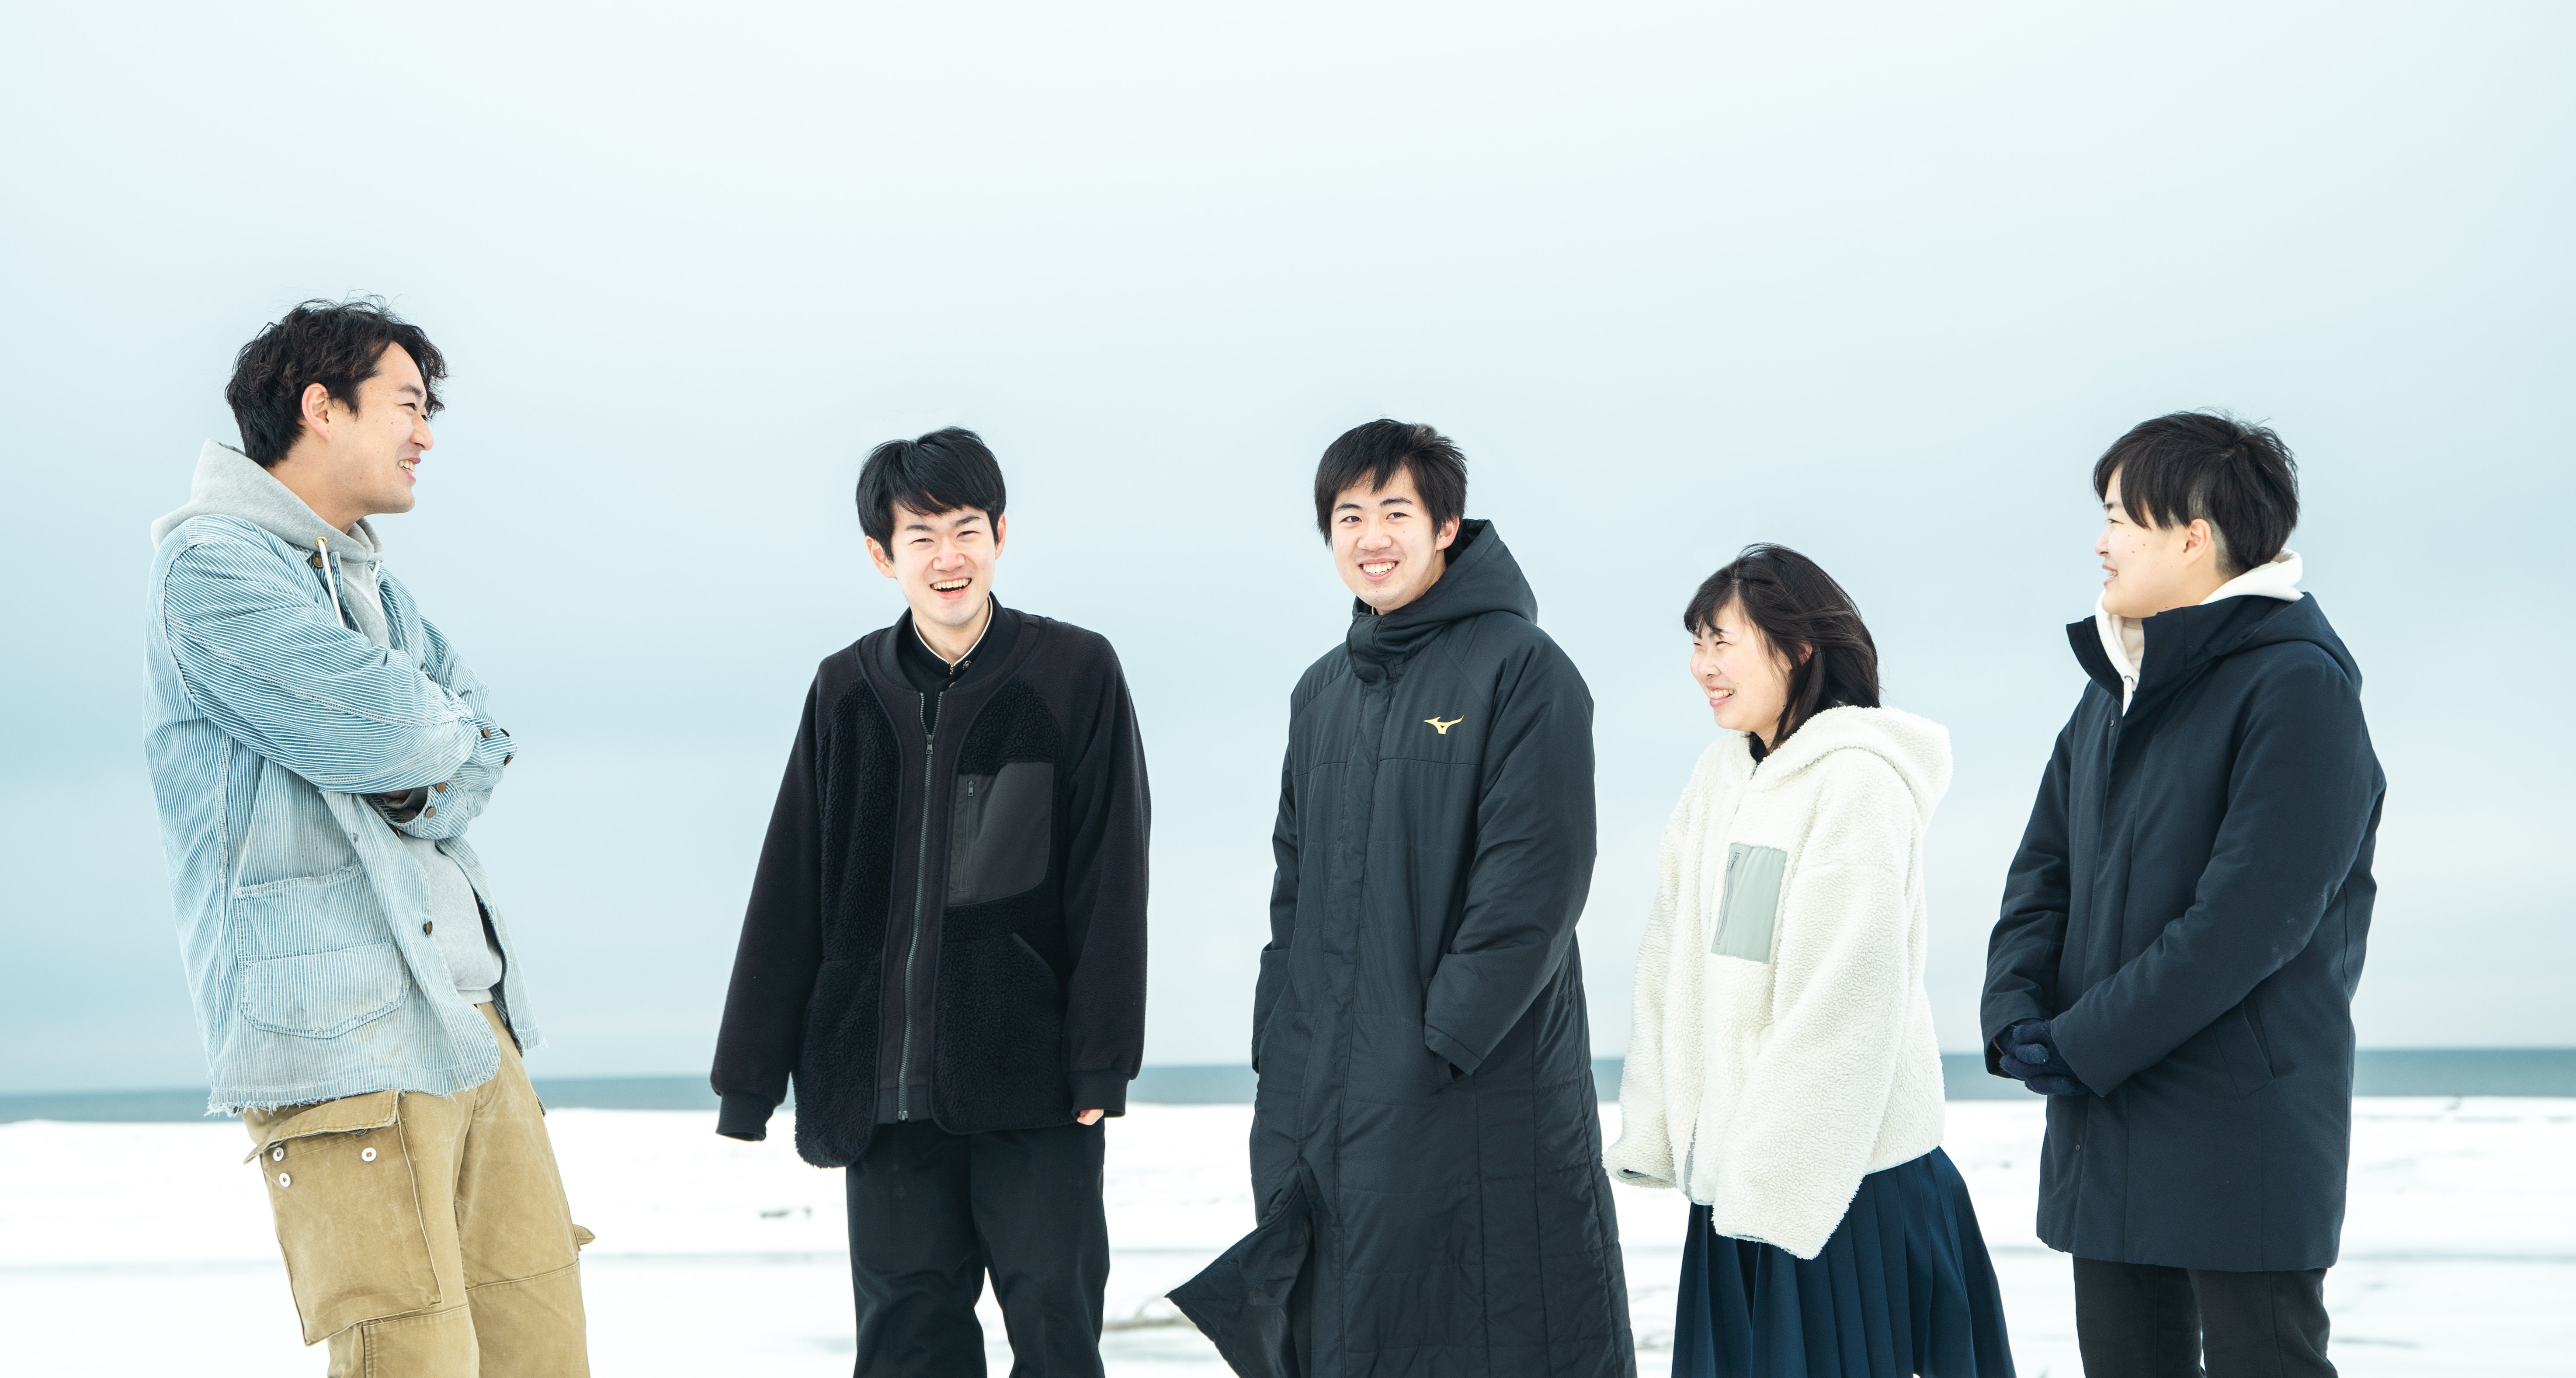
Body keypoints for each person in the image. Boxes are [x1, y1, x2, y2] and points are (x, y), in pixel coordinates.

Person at [143, 297, 590, 1376]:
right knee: (409, 1362)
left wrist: (415, 764)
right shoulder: (210, 567)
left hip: (471, 1021)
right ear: (320, 408)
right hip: (341, 1042)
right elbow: (401, 730)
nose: (425, 434)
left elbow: (481, 743)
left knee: (543, 1358)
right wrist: (418, 742)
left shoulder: (368, 578)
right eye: (407, 405)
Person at [1173, 419, 1635, 1378]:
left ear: (1446, 528)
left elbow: (1534, 882)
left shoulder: (1522, 667)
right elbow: (1293, 893)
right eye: (1349, 516)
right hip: (1324, 1085)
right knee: (1345, 1330)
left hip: (1469, 1084)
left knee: (1494, 1323)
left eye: (1395, 512)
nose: (1371, 537)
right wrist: (1280, 1041)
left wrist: (1440, 1040)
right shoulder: (1321, 693)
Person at [712, 426, 1150, 1378]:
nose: (947, 557)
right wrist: (750, 1078)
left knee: (1056, 1330)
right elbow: (791, 879)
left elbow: (1111, 873)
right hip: (878, 1089)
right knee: (907, 1345)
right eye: (920, 536)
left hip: (1031, 1079)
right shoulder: (844, 689)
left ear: (1000, 534)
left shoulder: (1075, 672)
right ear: (883, 555)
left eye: (965, 530)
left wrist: (1100, 1062)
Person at [1982, 411, 2383, 1378]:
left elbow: (2244, 924)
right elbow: (2041, 873)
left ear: (2194, 537)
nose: (2100, 542)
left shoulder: (2298, 687)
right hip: (2107, 1129)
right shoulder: (2111, 690)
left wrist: (2080, 1044)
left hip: (2238, 1137)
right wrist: (2015, 1011)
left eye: (2119, 518)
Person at [1609, 546, 2014, 1378]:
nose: (1702, 666)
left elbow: (1842, 998)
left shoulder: (1856, 781)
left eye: (1723, 641)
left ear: (1797, 647)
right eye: (1696, 643)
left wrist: (1769, 1173)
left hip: (1839, 1185)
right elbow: (1671, 962)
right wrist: (1662, 1129)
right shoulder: (1721, 777)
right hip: (1739, 1189)